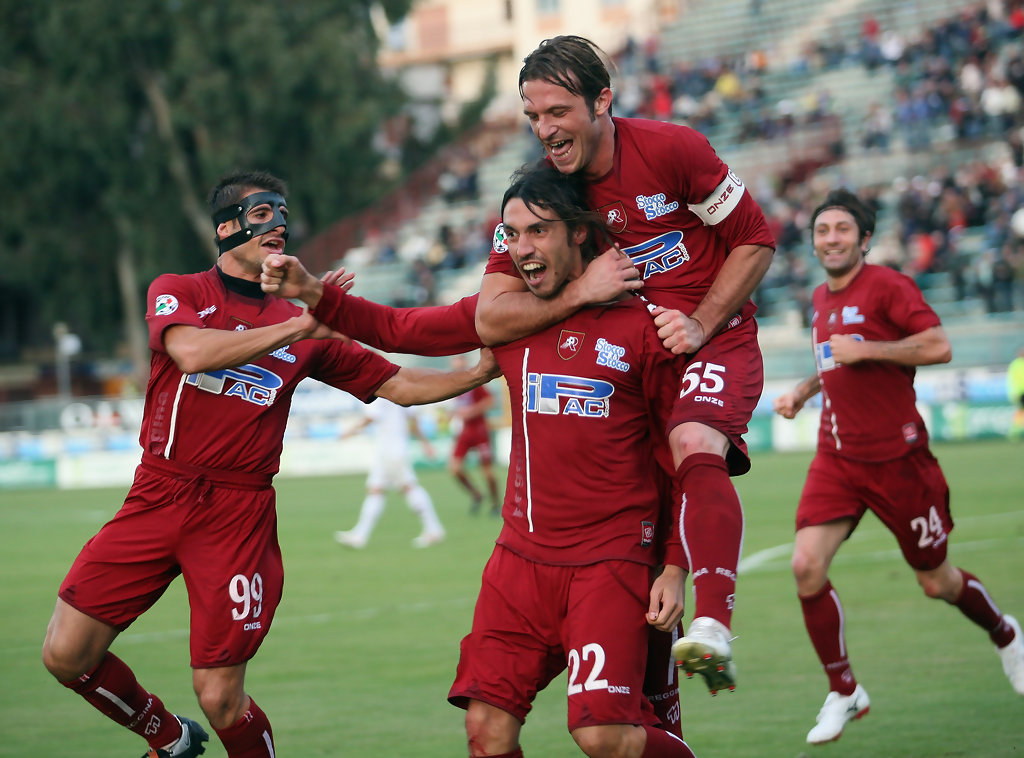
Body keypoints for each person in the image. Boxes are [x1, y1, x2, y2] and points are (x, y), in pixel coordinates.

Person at [40, 170, 497, 758]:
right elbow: (191, 351)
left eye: (283, 216)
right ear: (227, 228)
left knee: (220, 696)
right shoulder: (183, 289)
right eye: (262, 216)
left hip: (238, 513)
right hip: (158, 493)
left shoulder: (308, 323)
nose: (278, 226)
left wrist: (478, 374)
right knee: (66, 653)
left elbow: (400, 384)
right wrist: (298, 326)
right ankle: (169, 738)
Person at [265, 162, 696, 757]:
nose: (521, 249)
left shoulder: (644, 328)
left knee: (602, 736)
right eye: (511, 234)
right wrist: (313, 291)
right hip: (520, 561)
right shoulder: (510, 320)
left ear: (578, 232)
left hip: (610, 560)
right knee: (486, 732)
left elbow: (680, 459)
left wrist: (674, 565)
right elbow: (399, 326)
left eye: (538, 231)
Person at [474, 35, 777, 693]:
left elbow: (755, 239)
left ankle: (716, 628)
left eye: (556, 111)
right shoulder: (547, 194)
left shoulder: (673, 150)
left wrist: (700, 322)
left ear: (602, 100)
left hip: (712, 342)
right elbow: (490, 316)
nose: (543, 129)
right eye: (532, 116)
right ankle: (656, 705)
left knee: (695, 442)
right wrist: (582, 292)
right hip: (631, 370)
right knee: (637, 551)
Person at [772, 188, 1024, 745]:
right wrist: (806, 390)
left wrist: (872, 352)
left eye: (842, 229)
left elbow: (937, 345)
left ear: (863, 240)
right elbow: (838, 359)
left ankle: (1006, 633)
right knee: (805, 567)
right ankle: (844, 690)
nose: (831, 238)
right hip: (837, 457)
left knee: (937, 581)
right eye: (822, 230)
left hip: (898, 461)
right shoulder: (818, 297)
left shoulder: (888, 286)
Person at [335, 396, 447, 549]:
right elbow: (413, 418)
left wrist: (349, 431)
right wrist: (425, 443)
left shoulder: (380, 394)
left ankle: (434, 529)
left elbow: (371, 417)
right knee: (376, 490)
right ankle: (360, 535)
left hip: (389, 450)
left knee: (408, 487)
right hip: (391, 450)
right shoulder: (401, 391)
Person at [446, 354, 501, 515]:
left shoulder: (474, 383)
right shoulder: (455, 385)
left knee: (487, 472)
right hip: (465, 431)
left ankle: (496, 503)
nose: (456, 368)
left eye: (459, 365)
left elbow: (490, 401)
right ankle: (477, 494)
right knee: (454, 468)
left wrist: (471, 411)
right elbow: (458, 408)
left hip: (479, 430)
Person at [1007, 345, 1024, 440]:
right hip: (1020, 392)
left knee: (1021, 412)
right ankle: (1014, 432)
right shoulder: (1015, 364)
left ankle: (1014, 432)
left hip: (1019, 392)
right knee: (1021, 412)